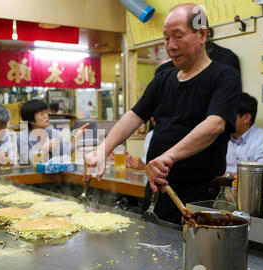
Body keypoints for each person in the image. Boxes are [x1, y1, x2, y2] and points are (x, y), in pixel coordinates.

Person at [84, 3, 241, 224]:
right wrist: (103, 149)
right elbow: (134, 115)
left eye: (178, 37)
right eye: (166, 39)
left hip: (199, 199)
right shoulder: (163, 79)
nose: (171, 46)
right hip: (157, 193)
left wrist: (168, 156)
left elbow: (215, 124)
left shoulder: (224, 76)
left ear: (202, 34)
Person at [17, 100, 88, 164]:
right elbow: (29, 162)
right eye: (42, 114)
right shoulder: (22, 137)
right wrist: (45, 147)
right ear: (31, 121)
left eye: (46, 113)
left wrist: (76, 138)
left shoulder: (52, 133)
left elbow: (66, 152)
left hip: (53, 174)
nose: (46, 116)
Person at [226, 92, 263, 174]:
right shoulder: (221, 137)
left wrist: (228, 175)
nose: (226, 118)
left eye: (230, 114)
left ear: (246, 118)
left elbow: (262, 174)